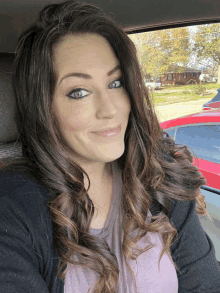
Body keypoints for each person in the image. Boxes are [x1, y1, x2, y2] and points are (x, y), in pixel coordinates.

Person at [0, 1, 220, 292]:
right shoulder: (12, 207)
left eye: (116, 83)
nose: (110, 110)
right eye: (79, 92)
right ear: (43, 109)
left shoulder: (160, 174)